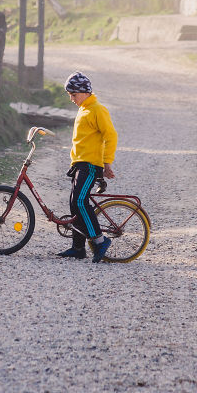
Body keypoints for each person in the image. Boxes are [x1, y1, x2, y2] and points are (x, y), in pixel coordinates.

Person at [57, 71, 117, 263]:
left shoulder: (97, 109)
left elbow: (111, 136)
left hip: (90, 165)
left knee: (80, 201)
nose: (71, 99)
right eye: (70, 95)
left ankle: (100, 241)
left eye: (73, 94)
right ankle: (78, 248)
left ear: (84, 92)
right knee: (74, 203)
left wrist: (107, 163)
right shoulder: (84, 109)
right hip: (79, 164)